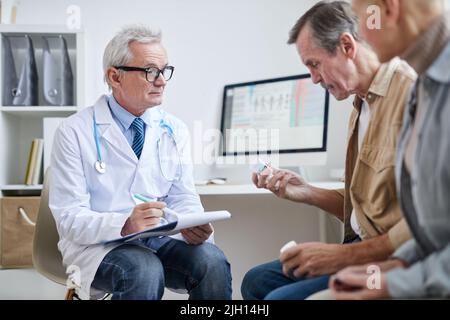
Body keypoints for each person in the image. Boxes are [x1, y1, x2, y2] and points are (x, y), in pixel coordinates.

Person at [241, 1, 416, 300]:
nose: (314, 79)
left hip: (394, 262)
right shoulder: (361, 103)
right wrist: (305, 191)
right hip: (361, 247)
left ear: (347, 46)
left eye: (314, 64)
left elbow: (424, 224)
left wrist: (342, 256)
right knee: (255, 281)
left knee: (277, 298)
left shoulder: (411, 94)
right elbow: (363, 210)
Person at [49, 25, 232, 300]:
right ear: (115, 76)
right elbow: (69, 218)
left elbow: (183, 197)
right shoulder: (74, 131)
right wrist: (124, 224)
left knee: (211, 261)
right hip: (98, 246)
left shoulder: (174, 129)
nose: (161, 81)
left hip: (158, 239)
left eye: (164, 70)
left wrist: (192, 224)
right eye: (150, 71)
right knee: (143, 269)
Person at [328, 0, 450, 299]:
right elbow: (431, 233)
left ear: (389, 9)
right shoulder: (423, 89)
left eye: (360, 19)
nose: (359, 36)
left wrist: (392, 284)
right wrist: (387, 269)